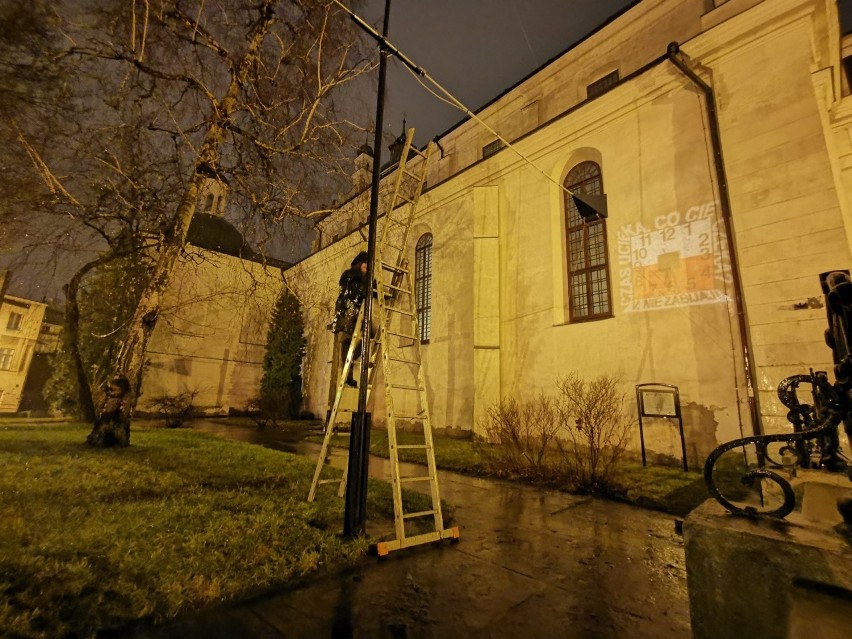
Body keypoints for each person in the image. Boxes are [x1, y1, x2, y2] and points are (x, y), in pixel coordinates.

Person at [332, 251, 373, 386]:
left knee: (369, 336)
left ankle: (351, 366)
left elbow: (369, 291)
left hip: (357, 315)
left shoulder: (364, 278)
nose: (366, 266)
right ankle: (347, 375)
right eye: (364, 263)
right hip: (347, 315)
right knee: (347, 342)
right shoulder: (350, 275)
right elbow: (354, 289)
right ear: (359, 264)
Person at [86, 376, 132, 447]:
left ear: (122, 390)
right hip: (106, 417)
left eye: (114, 390)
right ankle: (98, 442)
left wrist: (125, 415)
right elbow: (101, 405)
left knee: (118, 432)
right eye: (110, 390)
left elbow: (126, 410)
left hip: (117, 418)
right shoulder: (108, 398)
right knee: (102, 430)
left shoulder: (123, 399)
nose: (111, 392)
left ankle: (119, 443)